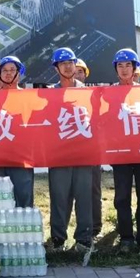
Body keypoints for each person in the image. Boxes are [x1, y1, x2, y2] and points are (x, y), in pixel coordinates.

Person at [47, 47, 93, 253]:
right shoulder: (49, 93)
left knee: (84, 197)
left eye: (70, 63)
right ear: (56, 68)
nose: (67, 66)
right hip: (58, 154)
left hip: (83, 153)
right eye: (62, 63)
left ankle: (84, 239)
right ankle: (58, 239)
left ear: (75, 65)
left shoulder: (88, 92)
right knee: (59, 197)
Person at [111, 48, 140, 252]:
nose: (124, 69)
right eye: (120, 65)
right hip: (120, 153)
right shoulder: (109, 94)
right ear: (116, 69)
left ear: (135, 68)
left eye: (128, 65)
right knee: (122, 197)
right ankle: (126, 238)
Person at [0, 56, 34, 208]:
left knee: (24, 196)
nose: (8, 73)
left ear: (19, 73)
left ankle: (24, 223)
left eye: (12, 70)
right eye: (4, 70)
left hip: (22, 156)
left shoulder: (29, 97)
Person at [74, 58, 102, 238]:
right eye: (75, 71)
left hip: (91, 150)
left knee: (93, 190)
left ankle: (95, 226)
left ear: (85, 75)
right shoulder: (58, 95)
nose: (77, 75)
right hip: (69, 150)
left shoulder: (93, 95)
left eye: (80, 72)